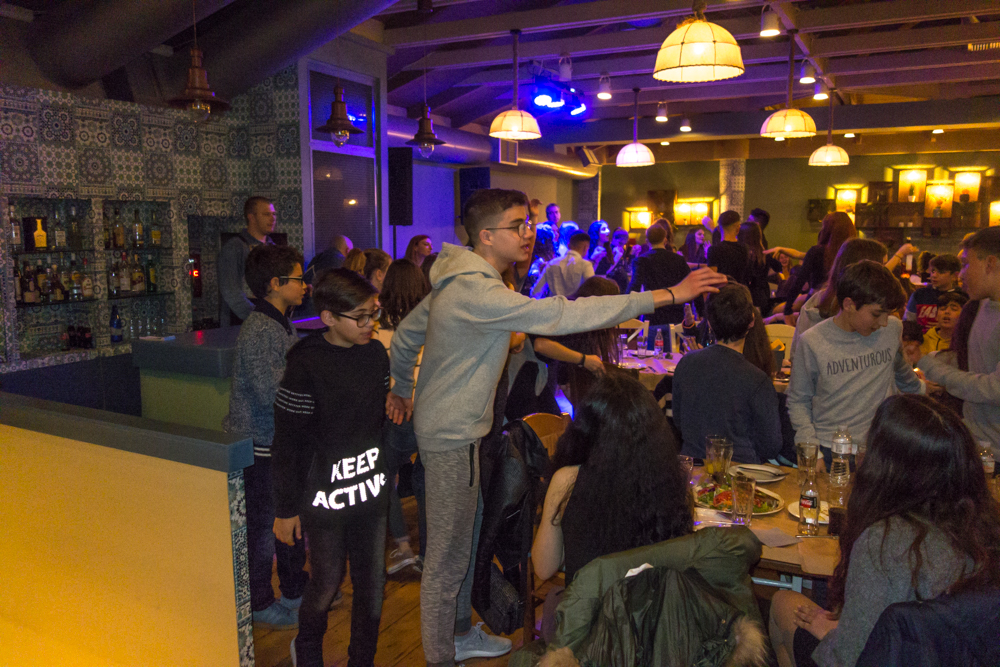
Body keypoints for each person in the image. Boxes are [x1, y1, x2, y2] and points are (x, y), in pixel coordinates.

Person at [385, 188, 723, 667]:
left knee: (468, 538)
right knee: (447, 556)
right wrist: (667, 295)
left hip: (457, 432)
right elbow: (563, 313)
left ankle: (457, 634)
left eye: (529, 223)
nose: (529, 233)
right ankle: (441, 656)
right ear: (487, 236)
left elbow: (405, 337)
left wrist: (402, 387)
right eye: (518, 225)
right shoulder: (477, 291)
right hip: (452, 437)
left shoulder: (457, 280)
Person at [769, 394, 1000, 667]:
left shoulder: (882, 541)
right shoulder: (985, 529)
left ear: (886, 465)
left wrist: (833, 635)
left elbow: (849, 658)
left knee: (782, 604)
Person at [272, 268, 390, 667]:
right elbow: (288, 440)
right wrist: (285, 508)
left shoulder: (375, 354)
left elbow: (378, 420)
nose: (370, 323)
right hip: (324, 495)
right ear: (328, 318)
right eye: (361, 316)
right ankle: (307, 652)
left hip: (371, 489)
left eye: (373, 313)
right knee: (326, 581)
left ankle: (362, 659)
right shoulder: (306, 363)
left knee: (372, 584)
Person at [531, 371, 693, 627]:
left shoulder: (567, 480)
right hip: (649, 625)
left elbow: (543, 567)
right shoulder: (668, 481)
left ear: (585, 429)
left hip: (585, 628)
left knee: (553, 606)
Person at [224, 244, 309, 630]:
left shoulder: (280, 322)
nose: (304, 285)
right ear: (275, 284)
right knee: (261, 529)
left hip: (276, 442)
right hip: (260, 443)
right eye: (298, 278)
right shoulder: (260, 328)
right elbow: (267, 392)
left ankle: (294, 590)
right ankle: (259, 601)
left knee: (287, 519)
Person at [787, 260, 923, 465]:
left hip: (878, 449)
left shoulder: (892, 329)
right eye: (876, 314)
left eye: (888, 314)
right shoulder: (812, 341)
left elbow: (901, 371)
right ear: (849, 304)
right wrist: (811, 449)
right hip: (830, 449)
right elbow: (798, 400)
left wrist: (923, 390)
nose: (884, 322)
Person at [672, 283, 782, 463]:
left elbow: (679, 421)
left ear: (709, 323)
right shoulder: (757, 379)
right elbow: (770, 445)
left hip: (693, 467)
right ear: (752, 321)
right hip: (739, 471)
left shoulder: (686, 363)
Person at [916, 227, 1000, 454]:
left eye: (965, 264)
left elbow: (993, 389)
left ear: (990, 264)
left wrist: (927, 363)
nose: (961, 275)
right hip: (976, 438)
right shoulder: (980, 306)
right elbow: (974, 363)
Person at [377, 259, 431, 574]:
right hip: (429, 411)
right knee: (425, 481)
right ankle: (427, 553)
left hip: (398, 412)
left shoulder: (376, 327)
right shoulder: (431, 323)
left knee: (382, 474)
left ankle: (403, 546)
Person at [790, 238, 889, 357]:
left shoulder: (814, 302)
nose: (887, 275)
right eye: (883, 267)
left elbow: (795, 356)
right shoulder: (864, 315)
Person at [531, 277, 622, 407]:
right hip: (529, 372)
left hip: (543, 373)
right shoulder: (570, 313)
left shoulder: (584, 320)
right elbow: (540, 344)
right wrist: (584, 359)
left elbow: (564, 376)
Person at [769, 212, 858, 326]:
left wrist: (788, 310)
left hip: (816, 302)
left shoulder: (817, 251)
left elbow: (799, 281)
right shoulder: (852, 254)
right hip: (843, 304)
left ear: (827, 230)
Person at [218, 196, 276, 325]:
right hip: (240, 323)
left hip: (268, 319)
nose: (272, 219)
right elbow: (231, 291)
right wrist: (258, 317)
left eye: (274, 214)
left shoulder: (274, 248)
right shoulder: (235, 247)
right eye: (266, 214)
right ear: (251, 217)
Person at [628, 223, 692, 328]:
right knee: (675, 337)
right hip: (675, 311)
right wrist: (699, 310)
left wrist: (628, 309)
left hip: (652, 311)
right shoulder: (678, 259)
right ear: (665, 240)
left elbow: (635, 286)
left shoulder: (641, 260)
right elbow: (690, 282)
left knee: (652, 337)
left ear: (647, 241)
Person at [903, 253, 962, 331]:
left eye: (941, 272)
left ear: (954, 276)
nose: (934, 275)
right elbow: (907, 322)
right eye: (933, 271)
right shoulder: (919, 295)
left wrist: (945, 326)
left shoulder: (961, 297)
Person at [531, 232, 594, 298]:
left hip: (554, 304)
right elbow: (592, 291)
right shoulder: (585, 265)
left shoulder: (552, 263)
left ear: (568, 245)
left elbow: (536, 291)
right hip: (575, 304)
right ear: (585, 248)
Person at [738, 221, 782, 313]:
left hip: (747, 294)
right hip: (762, 294)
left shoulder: (741, 255)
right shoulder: (763, 254)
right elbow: (778, 267)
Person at [707, 210, 750, 286]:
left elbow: (712, 278)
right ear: (738, 228)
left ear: (718, 229)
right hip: (741, 290)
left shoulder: (714, 250)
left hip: (723, 291)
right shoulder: (745, 248)